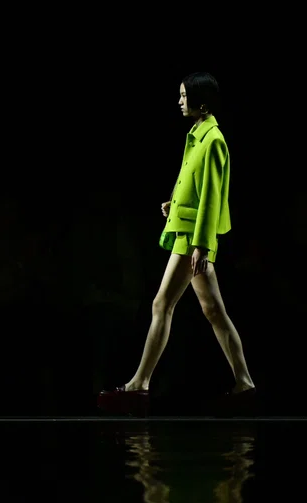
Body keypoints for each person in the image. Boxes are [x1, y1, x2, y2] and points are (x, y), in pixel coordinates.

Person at [98, 72, 255, 415]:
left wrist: (202, 246)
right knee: (213, 311)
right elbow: (194, 186)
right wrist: (175, 205)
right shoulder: (198, 135)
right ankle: (244, 384)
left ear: (201, 101)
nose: (179, 101)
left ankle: (139, 385)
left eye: (184, 96)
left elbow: (212, 197)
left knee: (162, 305)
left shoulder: (213, 139)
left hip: (191, 238)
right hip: (187, 230)